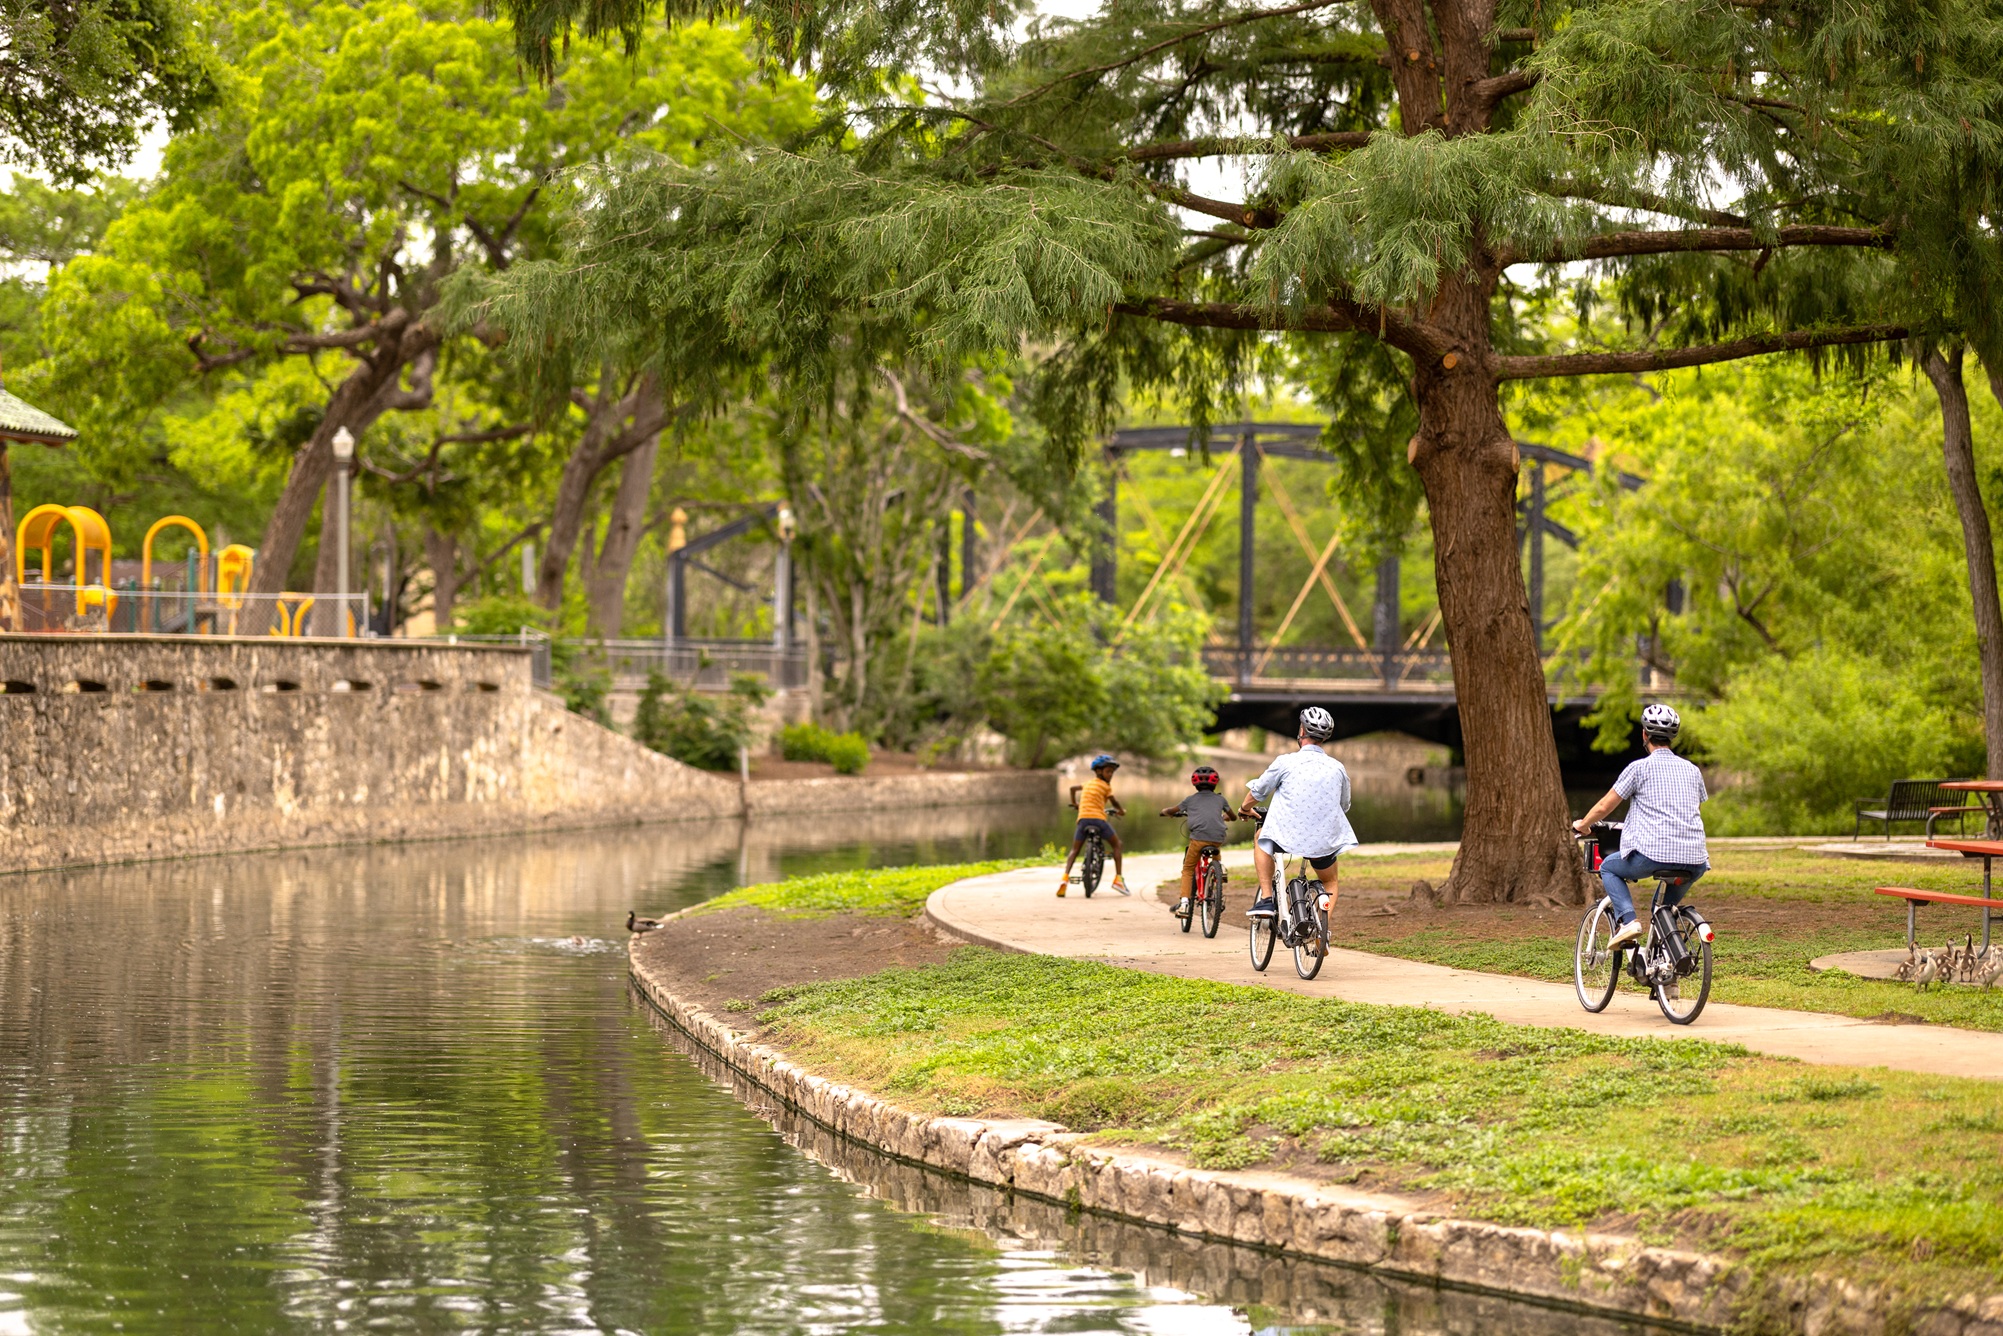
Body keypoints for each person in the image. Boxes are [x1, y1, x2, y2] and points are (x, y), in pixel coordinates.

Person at [1571, 703, 1708, 949]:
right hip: (1696, 860)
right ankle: (1669, 973)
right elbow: (1692, 812)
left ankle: (1629, 921)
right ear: (1673, 737)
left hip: (1654, 855)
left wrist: (1583, 825)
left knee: (1610, 868)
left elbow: (1604, 807)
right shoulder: (1693, 771)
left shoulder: (1638, 768)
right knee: (1664, 910)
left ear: (1644, 735)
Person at [1237, 707, 1357, 919]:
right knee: (1330, 882)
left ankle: (1266, 900)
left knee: (1260, 837)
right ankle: (1322, 933)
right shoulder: (1338, 768)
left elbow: (1258, 791)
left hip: (1285, 836)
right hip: (1323, 840)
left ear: (1301, 730)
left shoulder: (1286, 762)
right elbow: (1344, 805)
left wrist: (1245, 809)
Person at [1162, 765, 1238, 918]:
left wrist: (1165, 812)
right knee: (1215, 842)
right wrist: (1223, 818)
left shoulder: (1190, 800)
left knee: (1188, 869)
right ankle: (1219, 869)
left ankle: (1184, 903)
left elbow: (1173, 810)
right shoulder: (1220, 799)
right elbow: (1233, 816)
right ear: (1215, 784)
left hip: (1198, 839)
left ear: (1194, 784)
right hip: (1217, 838)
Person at [1060, 754, 1129, 897]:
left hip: (1083, 820)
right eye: (1108, 771)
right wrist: (1121, 811)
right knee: (1117, 844)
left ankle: (1065, 879)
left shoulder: (1087, 784)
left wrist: (1075, 804)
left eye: (1112, 772)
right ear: (1098, 771)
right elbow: (1114, 802)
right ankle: (1118, 880)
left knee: (1074, 850)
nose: (1110, 775)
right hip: (1098, 820)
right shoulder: (1105, 786)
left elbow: (1072, 788)